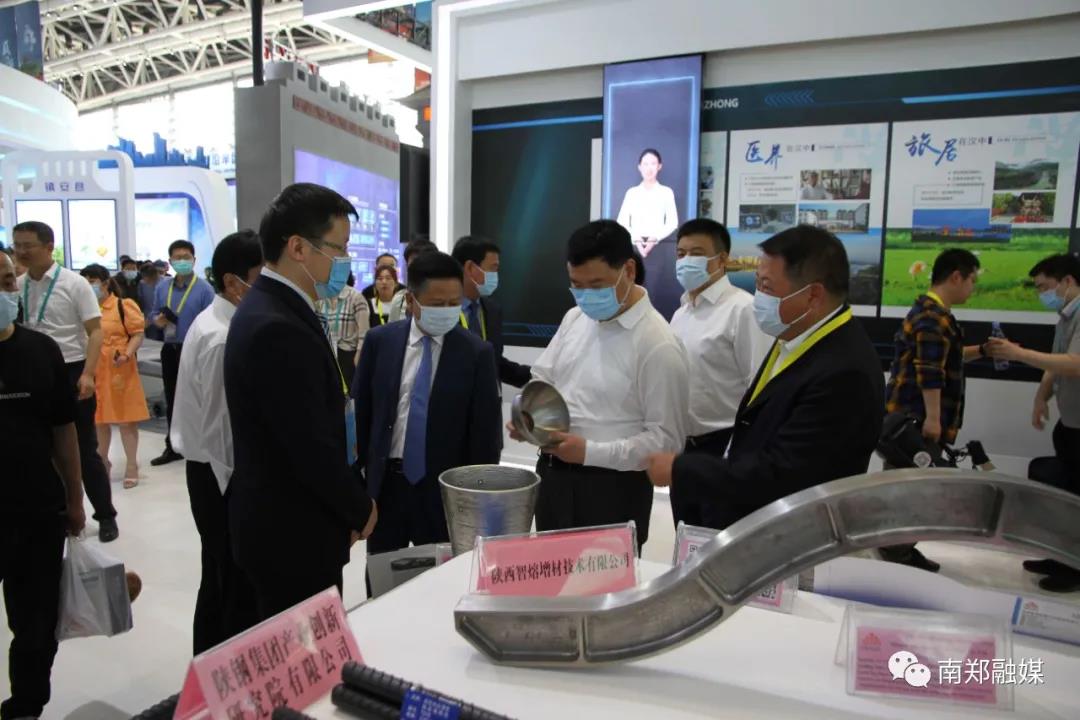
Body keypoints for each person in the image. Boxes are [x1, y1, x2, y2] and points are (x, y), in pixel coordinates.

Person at [646, 225, 884, 533]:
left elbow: (785, 474)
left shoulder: (844, 372)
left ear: (813, 295)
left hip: (792, 531)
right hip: (740, 498)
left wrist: (682, 469)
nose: (758, 296)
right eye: (757, 282)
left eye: (766, 286)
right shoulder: (794, 336)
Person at [225, 183, 377, 619]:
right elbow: (308, 446)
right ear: (297, 247)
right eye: (339, 248)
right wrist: (359, 508)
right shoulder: (277, 326)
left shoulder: (275, 307)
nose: (345, 260)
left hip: (287, 524)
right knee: (305, 649)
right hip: (292, 532)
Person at [510, 220, 689, 550]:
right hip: (553, 478)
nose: (586, 296)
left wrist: (589, 452)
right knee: (552, 574)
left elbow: (666, 441)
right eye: (576, 285)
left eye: (596, 284)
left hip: (612, 490)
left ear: (629, 270)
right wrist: (529, 417)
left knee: (605, 581)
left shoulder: (658, 344)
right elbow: (544, 377)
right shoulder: (575, 318)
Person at [353, 251, 502, 567]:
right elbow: (362, 414)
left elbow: (485, 436)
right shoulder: (380, 342)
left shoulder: (476, 353)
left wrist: (475, 501)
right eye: (437, 304)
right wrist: (360, 486)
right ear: (411, 300)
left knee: (440, 580)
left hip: (443, 493)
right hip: (387, 487)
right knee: (382, 576)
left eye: (453, 303)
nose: (447, 311)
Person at [1, 249, 86, 720]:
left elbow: (63, 431)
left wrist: (75, 498)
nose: (8, 290)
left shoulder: (40, 350)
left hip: (36, 511)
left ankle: (26, 706)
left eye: (8, 280)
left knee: (36, 623)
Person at [172, 230, 263, 652]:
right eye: (262, 277)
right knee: (230, 579)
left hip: (213, 470)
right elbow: (220, 430)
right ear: (232, 282)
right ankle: (221, 669)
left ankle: (210, 663)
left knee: (220, 576)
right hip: (219, 476)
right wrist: (242, 495)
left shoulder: (223, 322)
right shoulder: (221, 336)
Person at [13, 221, 119, 542]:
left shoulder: (75, 284)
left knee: (84, 449)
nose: (21, 251)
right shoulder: (18, 285)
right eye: (17, 245)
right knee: (42, 448)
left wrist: (88, 374)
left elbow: (95, 332)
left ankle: (105, 515)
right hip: (33, 373)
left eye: (27, 245)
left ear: (49, 247)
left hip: (71, 371)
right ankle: (61, 514)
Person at [881, 248, 985, 572]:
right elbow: (929, 371)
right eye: (972, 280)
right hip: (916, 421)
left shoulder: (932, 314)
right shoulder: (933, 317)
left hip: (909, 418)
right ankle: (896, 553)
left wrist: (983, 351)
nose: (972, 288)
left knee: (905, 486)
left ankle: (895, 547)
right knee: (913, 491)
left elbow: (944, 357)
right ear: (956, 276)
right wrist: (935, 420)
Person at [987, 253, 1080, 592]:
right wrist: (1042, 396)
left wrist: (1018, 354)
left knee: (1075, 499)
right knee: (1064, 493)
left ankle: (1073, 568)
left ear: (1067, 281)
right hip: (1070, 423)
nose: (1042, 294)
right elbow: (1056, 363)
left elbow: (1075, 363)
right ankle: (1059, 555)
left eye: (1045, 287)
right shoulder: (1066, 315)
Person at [667, 219, 770, 528]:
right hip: (685, 449)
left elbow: (761, 389)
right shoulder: (681, 313)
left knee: (720, 542)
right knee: (687, 537)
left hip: (725, 448)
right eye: (681, 253)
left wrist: (737, 458)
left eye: (697, 253)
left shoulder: (743, 310)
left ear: (722, 259)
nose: (686, 261)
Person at [80, 264, 149, 489]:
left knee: (126, 419)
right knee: (98, 419)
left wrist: (127, 353)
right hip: (94, 368)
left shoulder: (122, 305)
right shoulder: (84, 308)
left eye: (92, 281)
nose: (89, 286)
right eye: (85, 282)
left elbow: (137, 333)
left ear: (105, 283)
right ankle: (103, 461)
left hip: (120, 368)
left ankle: (132, 465)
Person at [149, 240, 215, 466]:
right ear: (170, 261)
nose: (182, 261)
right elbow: (153, 313)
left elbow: (211, 321)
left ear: (194, 260)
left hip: (195, 350)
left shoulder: (204, 289)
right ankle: (173, 446)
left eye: (186, 257)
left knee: (198, 398)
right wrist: (157, 320)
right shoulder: (162, 288)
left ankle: (201, 444)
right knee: (172, 397)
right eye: (178, 258)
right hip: (170, 348)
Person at [451, 235, 532, 388]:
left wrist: (535, 377)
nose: (496, 276)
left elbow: (494, 362)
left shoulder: (493, 310)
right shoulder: (441, 311)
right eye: (493, 269)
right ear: (470, 268)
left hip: (488, 399)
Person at [616, 148, 681, 319]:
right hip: (633, 248)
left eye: (653, 163)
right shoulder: (632, 193)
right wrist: (636, 239)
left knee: (653, 291)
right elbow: (622, 221)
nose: (649, 168)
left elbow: (672, 222)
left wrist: (654, 238)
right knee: (631, 287)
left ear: (659, 166)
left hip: (658, 248)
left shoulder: (666, 192)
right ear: (639, 167)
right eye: (645, 164)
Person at [316, 271, 370, 385]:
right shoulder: (321, 297)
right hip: (327, 352)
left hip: (348, 353)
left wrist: (359, 353)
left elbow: (364, 331)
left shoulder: (356, 297)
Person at [368, 264, 404, 328]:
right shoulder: (368, 304)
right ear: (375, 284)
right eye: (380, 279)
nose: (384, 282)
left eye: (388, 278)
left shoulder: (402, 304)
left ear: (396, 283)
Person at [137, 263, 165, 341]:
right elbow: (140, 301)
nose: (147, 281)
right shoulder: (142, 284)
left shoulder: (166, 284)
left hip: (164, 321)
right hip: (148, 321)